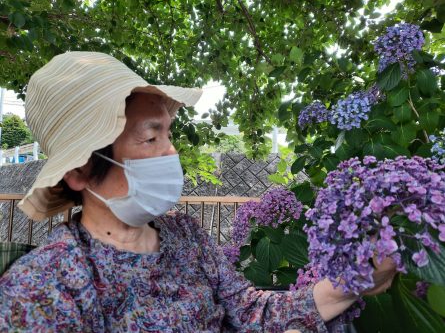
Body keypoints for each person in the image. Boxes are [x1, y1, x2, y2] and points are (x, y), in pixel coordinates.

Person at [0, 52, 396, 332]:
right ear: (81, 170)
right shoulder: (42, 288)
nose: (171, 151)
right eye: (150, 136)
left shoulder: (187, 237)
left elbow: (252, 312)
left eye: (168, 134)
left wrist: (356, 279)